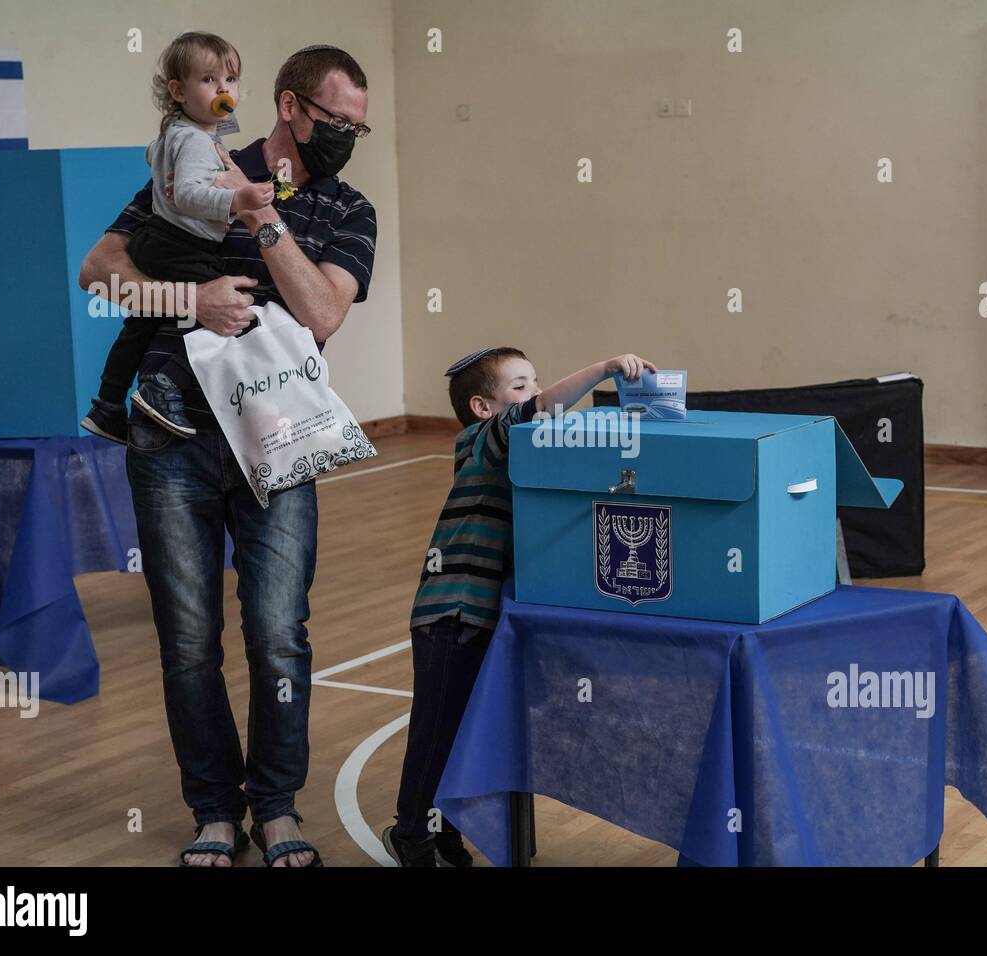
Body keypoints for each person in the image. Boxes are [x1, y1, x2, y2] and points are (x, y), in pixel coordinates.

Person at [78, 43, 377, 867]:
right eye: (334, 121)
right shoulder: (203, 162)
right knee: (186, 641)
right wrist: (192, 298)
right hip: (170, 438)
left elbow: (319, 315)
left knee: (279, 635)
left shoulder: (349, 211)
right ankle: (214, 811)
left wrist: (262, 217)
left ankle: (276, 808)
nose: (345, 137)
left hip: (277, 444)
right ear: (289, 106)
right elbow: (99, 269)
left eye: (359, 127)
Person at [381, 347, 656, 866]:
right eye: (521, 385)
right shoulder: (479, 442)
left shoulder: (528, 454)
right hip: (452, 614)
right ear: (486, 409)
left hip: (488, 617)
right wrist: (602, 369)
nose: (533, 393)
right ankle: (411, 831)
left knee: (467, 733)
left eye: (535, 381)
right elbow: (543, 411)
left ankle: (443, 827)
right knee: (436, 729)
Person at [82, 31, 275, 442]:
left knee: (142, 324)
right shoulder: (195, 140)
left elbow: (153, 154)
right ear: (178, 90)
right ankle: (164, 386)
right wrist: (237, 198)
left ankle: (107, 405)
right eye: (208, 80)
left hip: (158, 239)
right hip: (183, 244)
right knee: (224, 309)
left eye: (231, 80)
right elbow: (187, 194)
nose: (223, 89)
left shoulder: (178, 132)